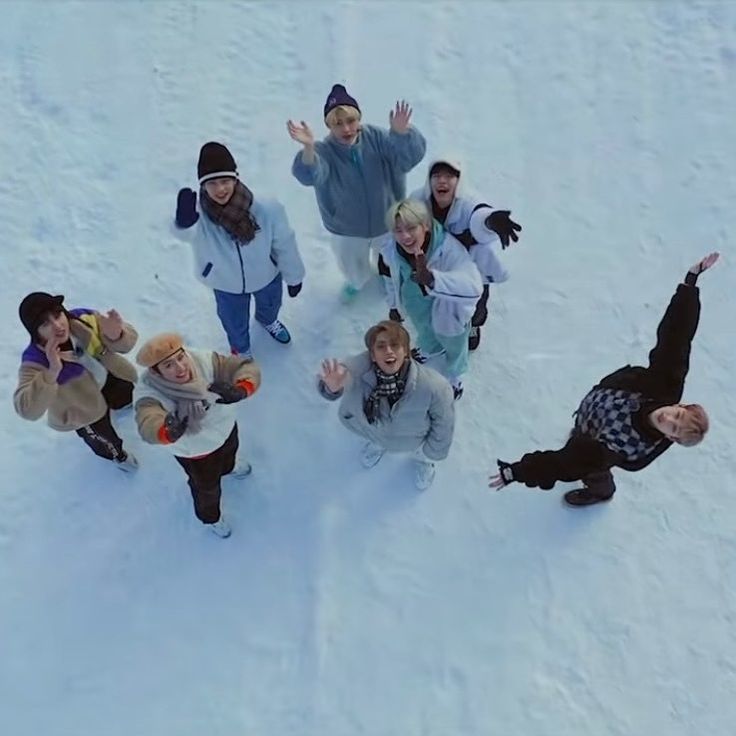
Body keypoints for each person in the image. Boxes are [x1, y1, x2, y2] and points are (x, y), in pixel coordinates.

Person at [489, 252, 719, 506]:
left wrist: (517, 472)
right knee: (582, 444)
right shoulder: (665, 385)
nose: (668, 419)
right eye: (676, 416)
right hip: (598, 413)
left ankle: (601, 491)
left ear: (670, 438)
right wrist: (690, 284)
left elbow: (564, 464)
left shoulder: (621, 447)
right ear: (679, 406)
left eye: (672, 428)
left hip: (596, 445)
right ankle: (584, 432)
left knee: (590, 467)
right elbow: (676, 339)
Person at [288, 84, 426, 302]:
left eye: (351, 121)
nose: (346, 129)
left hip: (387, 220)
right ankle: (356, 281)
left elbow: (407, 159)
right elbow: (310, 175)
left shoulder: (378, 138)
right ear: (329, 126)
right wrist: (308, 149)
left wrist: (401, 135)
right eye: (338, 124)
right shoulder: (324, 151)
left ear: (359, 119)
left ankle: (388, 277)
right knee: (352, 264)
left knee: (390, 258)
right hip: (346, 229)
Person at [174, 141, 305, 360]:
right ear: (203, 186)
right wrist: (183, 222)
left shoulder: (265, 208)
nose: (220, 189)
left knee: (271, 304)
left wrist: (294, 276)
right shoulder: (199, 215)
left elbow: (284, 242)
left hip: (266, 276)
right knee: (233, 320)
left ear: (236, 178)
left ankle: (268, 320)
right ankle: (241, 349)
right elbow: (185, 235)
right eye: (212, 183)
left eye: (225, 181)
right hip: (226, 284)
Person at [133, 333, 261, 538]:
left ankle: (229, 467)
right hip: (196, 453)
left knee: (230, 455)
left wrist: (241, 389)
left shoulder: (203, 360)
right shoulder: (149, 392)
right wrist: (166, 431)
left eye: (180, 358)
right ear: (155, 372)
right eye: (168, 365)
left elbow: (240, 367)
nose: (181, 367)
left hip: (225, 429)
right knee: (206, 489)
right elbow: (147, 421)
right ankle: (211, 518)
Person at [318, 321, 454, 490]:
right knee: (378, 436)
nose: (388, 350)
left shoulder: (435, 387)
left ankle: (424, 462)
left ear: (406, 352)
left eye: (395, 345)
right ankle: (379, 444)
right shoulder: (360, 371)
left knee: (423, 454)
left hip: (415, 440)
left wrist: (432, 451)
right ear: (372, 355)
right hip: (375, 430)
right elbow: (343, 375)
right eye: (381, 346)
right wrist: (332, 388)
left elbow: (444, 425)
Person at [13, 292, 139, 471]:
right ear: (35, 332)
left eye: (57, 315)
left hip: (109, 378)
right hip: (82, 410)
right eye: (45, 324)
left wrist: (117, 334)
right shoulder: (34, 360)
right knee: (106, 440)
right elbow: (26, 410)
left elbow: (127, 343)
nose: (57, 326)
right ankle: (118, 456)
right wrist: (52, 372)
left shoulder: (83, 319)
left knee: (125, 395)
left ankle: (122, 406)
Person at [410, 156, 522, 350]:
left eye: (449, 176)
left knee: (476, 304)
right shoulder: (418, 201)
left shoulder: (468, 202)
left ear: (459, 181)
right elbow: (404, 223)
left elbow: (479, 216)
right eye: (436, 175)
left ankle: (474, 326)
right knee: (436, 302)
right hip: (436, 267)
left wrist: (491, 222)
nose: (442, 181)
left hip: (472, 269)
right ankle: (437, 334)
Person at [378, 199, 483, 400]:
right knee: (424, 329)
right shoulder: (390, 249)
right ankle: (430, 349)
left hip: (448, 310)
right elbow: (389, 278)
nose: (405, 236)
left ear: (425, 226)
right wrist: (394, 306)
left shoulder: (450, 249)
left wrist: (433, 279)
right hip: (415, 301)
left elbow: (473, 286)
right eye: (398, 230)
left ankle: (456, 374)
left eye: (411, 228)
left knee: (454, 341)